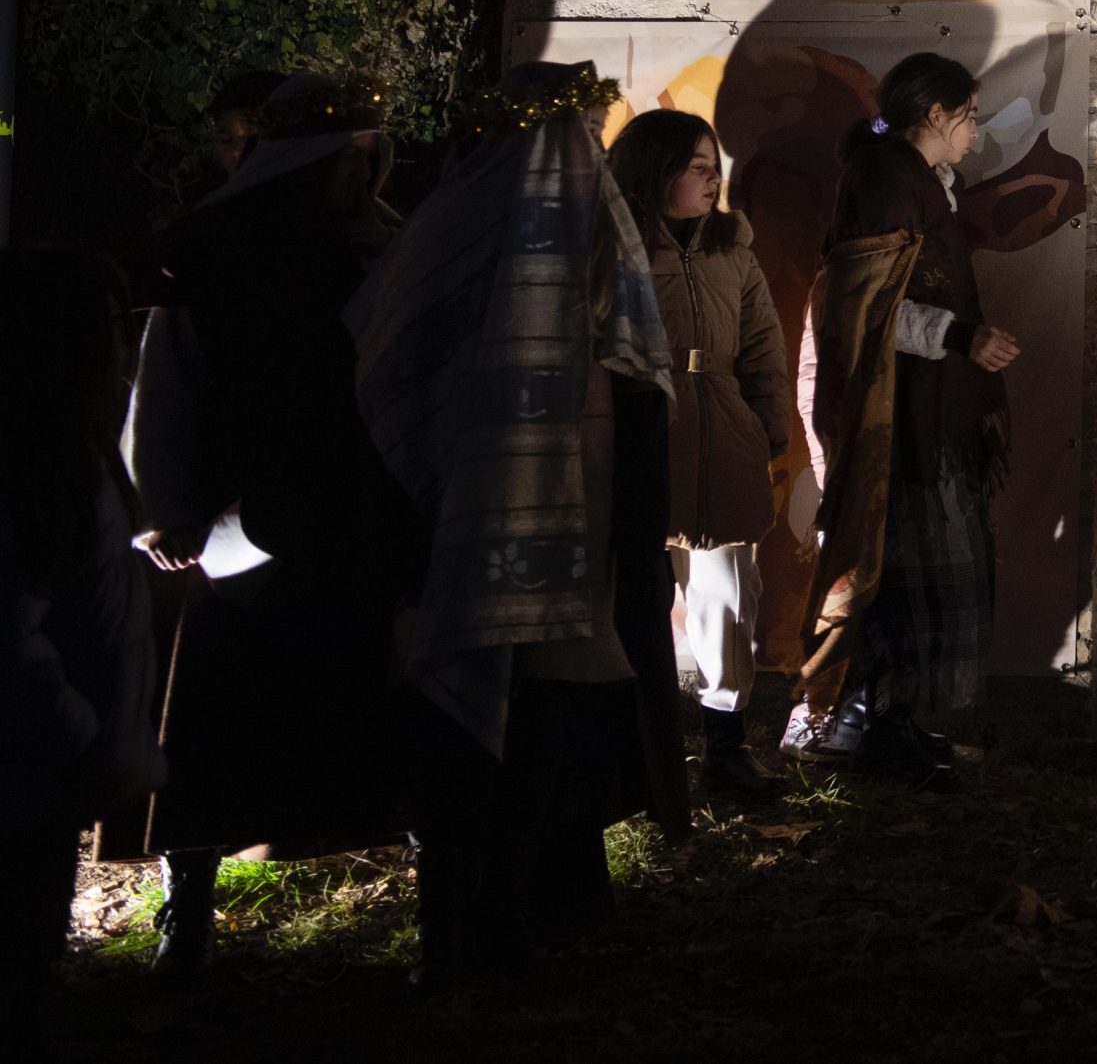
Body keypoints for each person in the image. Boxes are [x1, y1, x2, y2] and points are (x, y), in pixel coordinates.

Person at [348, 62, 688, 985]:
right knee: (480, 734)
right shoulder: (453, 243)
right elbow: (394, 387)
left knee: (536, 726)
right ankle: (467, 929)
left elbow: (635, 391)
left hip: (560, 541)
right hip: (466, 540)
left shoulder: (563, 237)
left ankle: (507, 916)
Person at [114, 73, 419, 988]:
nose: (358, 175)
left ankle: (417, 894)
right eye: (342, 158)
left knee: (358, 700)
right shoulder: (215, 250)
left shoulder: (390, 249)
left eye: (369, 156)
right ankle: (189, 908)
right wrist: (167, 504)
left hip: (352, 516)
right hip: (237, 521)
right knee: (213, 718)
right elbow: (168, 384)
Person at [789, 53, 1017, 784]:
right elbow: (861, 302)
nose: (975, 131)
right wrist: (957, 335)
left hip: (930, 411)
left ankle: (903, 722)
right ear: (936, 114)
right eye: (970, 116)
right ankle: (867, 726)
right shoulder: (886, 178)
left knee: (927, 570)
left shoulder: (923, 180)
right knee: (896, 570)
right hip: (900, 418)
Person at [606, 111, 796, 801]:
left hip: (722, 429)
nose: (713, 179)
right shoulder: (612, 248)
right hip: (640, 428)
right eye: (696, 167)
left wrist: (768, 425)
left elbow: (762, 345)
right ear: (653, 171)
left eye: (715, 165)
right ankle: (633, 752)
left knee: (729, 591)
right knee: (634, 591)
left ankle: (726, 745)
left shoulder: (731, 250)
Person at [1, 253, 161, 1052]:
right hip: (29, 782)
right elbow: (7, 637)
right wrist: (78, 737)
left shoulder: (70, 453)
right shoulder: (40, 466)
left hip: (44, 784)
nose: (124, 346)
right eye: (108, 328)